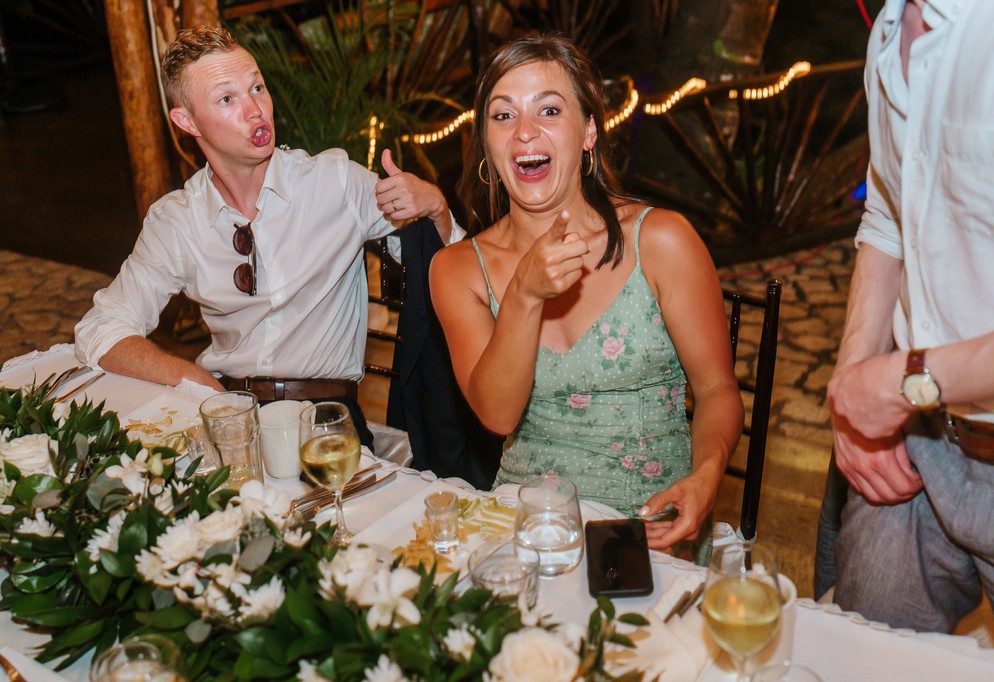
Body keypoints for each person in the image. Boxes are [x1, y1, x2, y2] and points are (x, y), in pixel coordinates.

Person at [429, 34, 743, 556]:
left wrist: (707, 478)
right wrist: (525, 296)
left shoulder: (662, 241)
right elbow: (498, 415)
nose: (525, 132)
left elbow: (716, 391)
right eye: (503, 117)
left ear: (589, 131)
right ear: (485, 143)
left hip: (650, 529)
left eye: (548, 110)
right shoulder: (458, 268)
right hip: (526, 522)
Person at [74, 26, 461, 444]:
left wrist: (436, 207)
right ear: (186, 121)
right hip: (224, 411)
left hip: (325, 421)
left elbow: (453, 270)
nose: (255, 109)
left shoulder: (333, 183)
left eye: (257, 87)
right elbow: (101, 328)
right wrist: (192, 377)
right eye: (227, 99)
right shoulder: (177, 220)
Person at [826, 0, 994, 651]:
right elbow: (887, 217)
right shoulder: (889, 31)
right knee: (855, 657)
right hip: (920, 449)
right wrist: (853, 389)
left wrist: (906, 380)